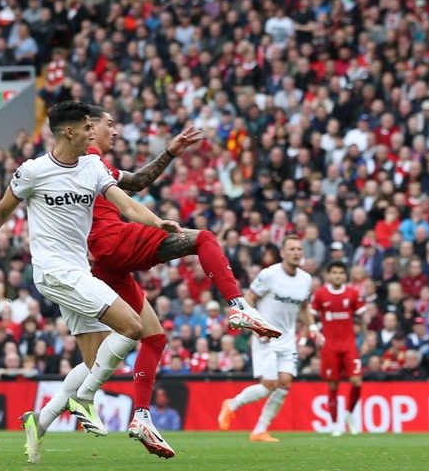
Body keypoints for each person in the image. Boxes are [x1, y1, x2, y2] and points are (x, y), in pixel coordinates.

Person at [22, 106, 278, 461]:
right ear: (86, 129)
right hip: (107, 245)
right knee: (202, 238)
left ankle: (54, 418)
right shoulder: (87, 159)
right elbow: (128, 199)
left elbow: (137, 181)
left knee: (143, 340)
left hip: (96, 262)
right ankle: (238, 307)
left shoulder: (93, 164)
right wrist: (157, 221)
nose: (115, 130)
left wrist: (171, 152)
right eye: (107, 124)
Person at [0, 101, 182, 460]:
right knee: (133, 327)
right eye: (88, 127)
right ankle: (87, 397)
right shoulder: (33, 171)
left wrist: (157, 222)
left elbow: (127, 205)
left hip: (79, 270)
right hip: (53, 271)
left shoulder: (93, 166)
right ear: (69, 131)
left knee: (96, 361)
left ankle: (40, 419)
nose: (94, 132)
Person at [218, 235, 313, 442]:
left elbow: (304, 308)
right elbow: (250, 298)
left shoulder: (306, 280)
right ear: (283, 253)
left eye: (299, 249)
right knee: (269, 384)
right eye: (292, 249)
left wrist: (311, 329)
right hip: (266, 336)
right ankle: (231, 404)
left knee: (285, 383)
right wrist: (256, 327)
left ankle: (260, 430)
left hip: (288, 338)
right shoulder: (269, 274)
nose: (297, 252)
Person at [310, 260, 365, 436]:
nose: (337, 275)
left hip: (349, 345)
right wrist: (313, 333)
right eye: (334, 272)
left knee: (357, 381)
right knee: (333, 386)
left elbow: (362, 318)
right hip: (330, 346)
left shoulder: (352, 294)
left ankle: (349, 414)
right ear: (328, 275)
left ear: (345, 275)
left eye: (341, 273)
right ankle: (335, 425)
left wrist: (364, 338)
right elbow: (310, 316)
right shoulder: (320, 294)